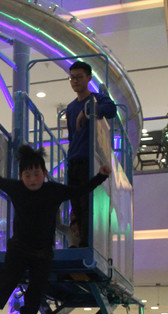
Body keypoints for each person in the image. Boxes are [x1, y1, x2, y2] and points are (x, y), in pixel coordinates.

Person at [0, 145, 111, 314]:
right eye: (27, 175)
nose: (32, 179)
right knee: (6, 279)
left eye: (36, 174)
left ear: (44, 173)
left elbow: (79, 191)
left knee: (37, 284)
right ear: (21, 176)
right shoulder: (16, 188)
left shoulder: (53, 190)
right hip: (19, 247)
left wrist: (101, 176)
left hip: (42, 250)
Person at [65, 60, 117, 247]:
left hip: (89, 160)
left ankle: (87, 244)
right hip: (74, 160)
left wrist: (88, 111)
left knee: (87, 204)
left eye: (79, 77)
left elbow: (111, 110)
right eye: (72, 78)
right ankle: (79, 242)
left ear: (88, 78)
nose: (75, 81)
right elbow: (72, 136)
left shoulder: (97, 99)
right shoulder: (70, 108)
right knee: (76, 205)